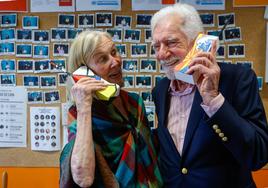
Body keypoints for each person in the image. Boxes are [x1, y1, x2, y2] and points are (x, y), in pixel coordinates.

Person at [150, 3, 268, 187]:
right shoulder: (160, 90)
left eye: (171, 42)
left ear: (198, 43)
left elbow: (258, 155)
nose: (161, 54)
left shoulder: (238, 79)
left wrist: (213, 99)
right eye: (156, 46)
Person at [60, 30, 163, 188]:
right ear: (84, 73)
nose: (115, 62)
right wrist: (84, 108)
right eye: (103, 59)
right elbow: (83, 178)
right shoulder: (79, 113)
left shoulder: (134, 103)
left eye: (114, 52)